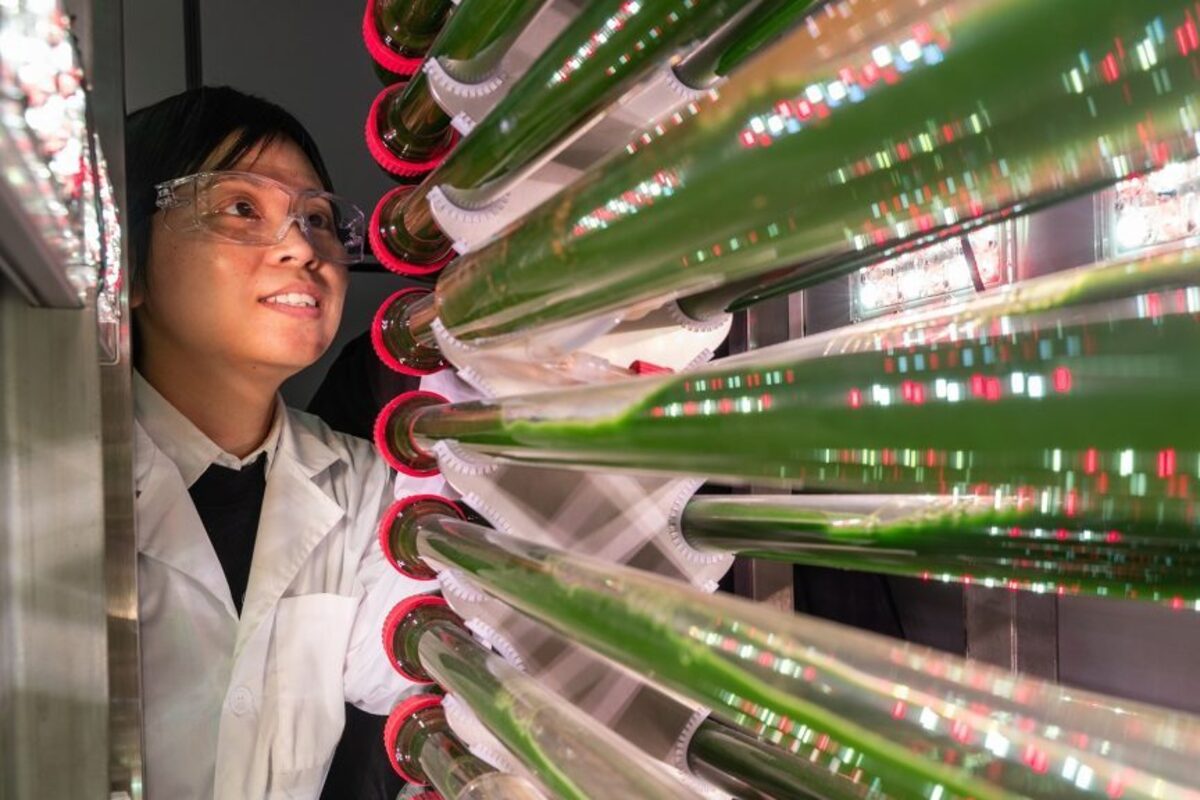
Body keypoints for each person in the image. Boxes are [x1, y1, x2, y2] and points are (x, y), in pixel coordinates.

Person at [126, 85, 424, 799]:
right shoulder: (44, 474)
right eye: (240, 208)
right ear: (127, 265)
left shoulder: (361, 483)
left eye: (317, 218)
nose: (301, 247)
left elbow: (401, 668)